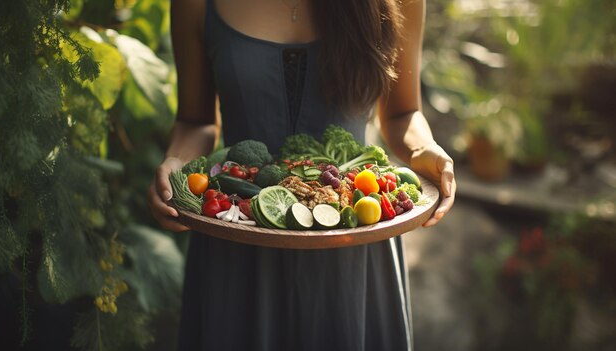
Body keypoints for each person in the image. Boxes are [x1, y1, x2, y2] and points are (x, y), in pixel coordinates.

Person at [147, 0, 456, 350]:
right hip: (236, 243)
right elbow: (196, 121)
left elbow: (403, 112)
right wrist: (176, 162)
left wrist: (423, 150)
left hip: (353, 245)